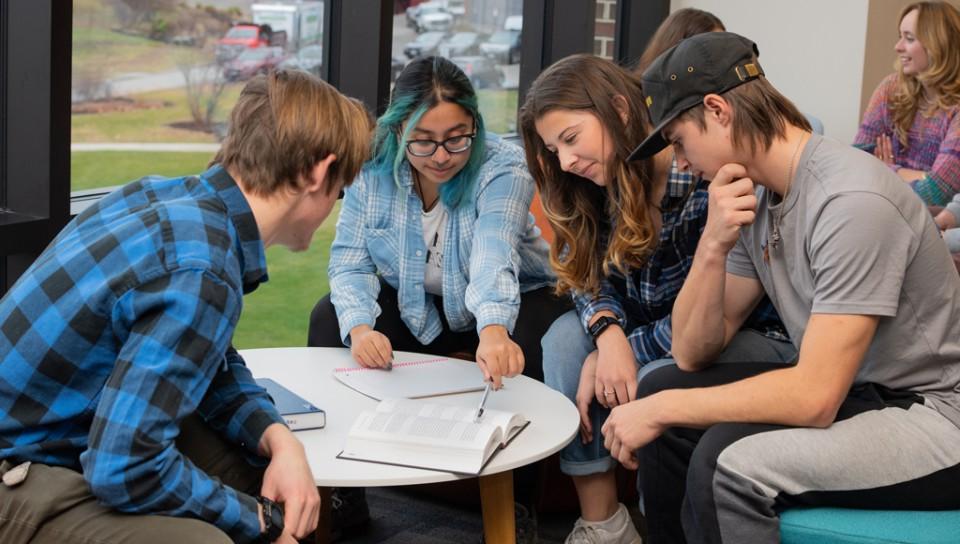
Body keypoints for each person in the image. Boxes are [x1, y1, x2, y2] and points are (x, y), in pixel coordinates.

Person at [612, 31, 960, 543]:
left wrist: (658, 413)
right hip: (858, 392)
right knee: (661, 385)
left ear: (717, 110)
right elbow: (691, 352)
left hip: (930, 415)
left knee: (724, 463)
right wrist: (712, 244)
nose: (680, 161)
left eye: (679, 140)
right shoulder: (753, 191)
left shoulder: (850, 201)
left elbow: (815, 396)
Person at [0, 69, 372, 544]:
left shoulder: (165, 197)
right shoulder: (203, 268)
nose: (333, 206)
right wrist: (258, 519)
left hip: (63, 427)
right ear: (318, 173)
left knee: (252, 470)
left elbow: (210, 359)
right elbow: (123, 467)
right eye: (339, 191)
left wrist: (280, 440)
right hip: (17, 464)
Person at [518, 52, 794, 544]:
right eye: (552, 148)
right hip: (647, 327)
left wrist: (627, 348)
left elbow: (701, 323)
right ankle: (604, 524)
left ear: (620, 110)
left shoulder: (703, 180)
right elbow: (585, 278)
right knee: (564, 341)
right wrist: (607, 335)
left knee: (652, 379)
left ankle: (661, 517)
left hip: (732, 334)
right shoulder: (593, 181)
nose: (565, 160)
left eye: (571, 139)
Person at [307, 55, 566, 539]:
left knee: (528, 347)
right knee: (328, 320)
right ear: (399, 128)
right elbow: (349, 261)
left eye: (457, 138)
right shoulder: (372, 166)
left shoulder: (504, 168)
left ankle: (517, 507)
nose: (442, 155)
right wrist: (361, 327)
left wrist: (493, 331)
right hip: (416, 302)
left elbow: (494, 255)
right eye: (423, 141)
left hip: (513, 297)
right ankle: (344, 493)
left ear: (475, 125)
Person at [854, 1, 960, 207]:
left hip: (932, 229)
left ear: (939, 45)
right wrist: (917, 175)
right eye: (900, 36)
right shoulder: (891, 88)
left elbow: (934, 194)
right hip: (882, 210)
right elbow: (857, 162)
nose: (898, 46)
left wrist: (887, 169)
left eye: (909, 38)